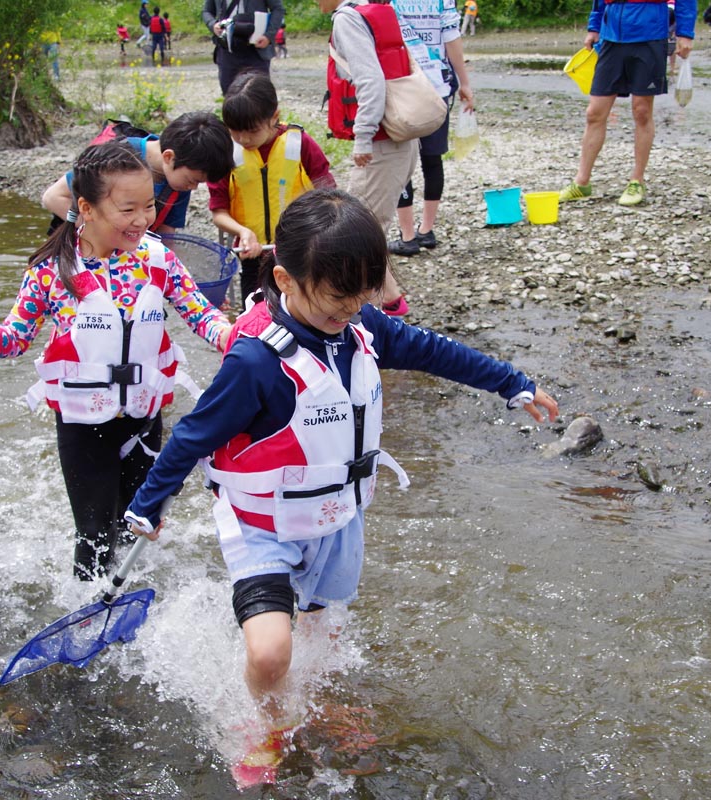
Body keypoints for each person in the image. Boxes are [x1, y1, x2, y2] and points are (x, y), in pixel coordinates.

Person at [123, 190, 559, 775]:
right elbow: (191, 437)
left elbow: (436, 352)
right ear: (285, 278)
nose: (352, 310)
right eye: (336, 298)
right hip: (265, 524)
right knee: (272, 652)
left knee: (322, 636)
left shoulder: (362, 325)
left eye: (363, 296)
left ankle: (317, 705)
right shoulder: (255, 362)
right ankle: (267, 721)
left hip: (337, 518)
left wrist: (512, 383)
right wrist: (149, 504)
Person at [0, 140, 232, 580]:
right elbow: (14, 339)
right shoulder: (51, 270)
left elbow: (202, 315)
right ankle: (86, 621)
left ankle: (136, 606)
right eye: (128, 209)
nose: (142, 221)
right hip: (83, 424)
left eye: (149, 207)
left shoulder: (160, 261)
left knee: (136, 526)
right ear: (87, 207)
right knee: (95, 535)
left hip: (144, 418)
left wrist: (236, 336)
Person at [320, 0, 420, 316]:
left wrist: (363, 137)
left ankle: (380, 316)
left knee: (354, 231)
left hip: (380, 144)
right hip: (400, 137)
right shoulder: (373, 10)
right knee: (370, 228)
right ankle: (390, 302)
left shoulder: (348, 19)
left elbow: (371, 80)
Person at [210, 72, 336, 307]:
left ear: (274, 117)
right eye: (234, 131)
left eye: (252, 130)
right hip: (253, 254)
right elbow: (218, 212)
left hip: (298, 251)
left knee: (302, 308)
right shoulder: (228, 152)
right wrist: (243, 232)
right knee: (256, 309)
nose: (243, 139)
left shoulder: (300, 144)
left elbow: (328, 194)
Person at [556, 0, 694, 207]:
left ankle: (636, 181)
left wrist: (685, 33)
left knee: (642, 111)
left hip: (650, 37)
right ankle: (582, 182)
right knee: (594, 112)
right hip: (611, 37)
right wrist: (594, 27)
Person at [41, 111, 234, 235]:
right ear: (169, 157)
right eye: (192, 180)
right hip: (81, 251)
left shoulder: (179, 181)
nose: (193, 187)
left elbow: (166, 237)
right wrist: (102, 234)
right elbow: (52, 197)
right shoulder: (116, 155)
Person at [387, 0, 476, 263]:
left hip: (402, 86)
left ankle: (407, 236)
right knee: (432, 159)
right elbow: (452, 38)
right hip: (438, 86)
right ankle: (426, 230)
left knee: (403, 160)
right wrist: (465, 83)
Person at [203, 0, 285, 95]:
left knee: (260, 95)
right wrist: (213, 24)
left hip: (256, 48)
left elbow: (278, 9)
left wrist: (268, 35)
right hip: (227, 49)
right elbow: (207, 11)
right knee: (229, 96)